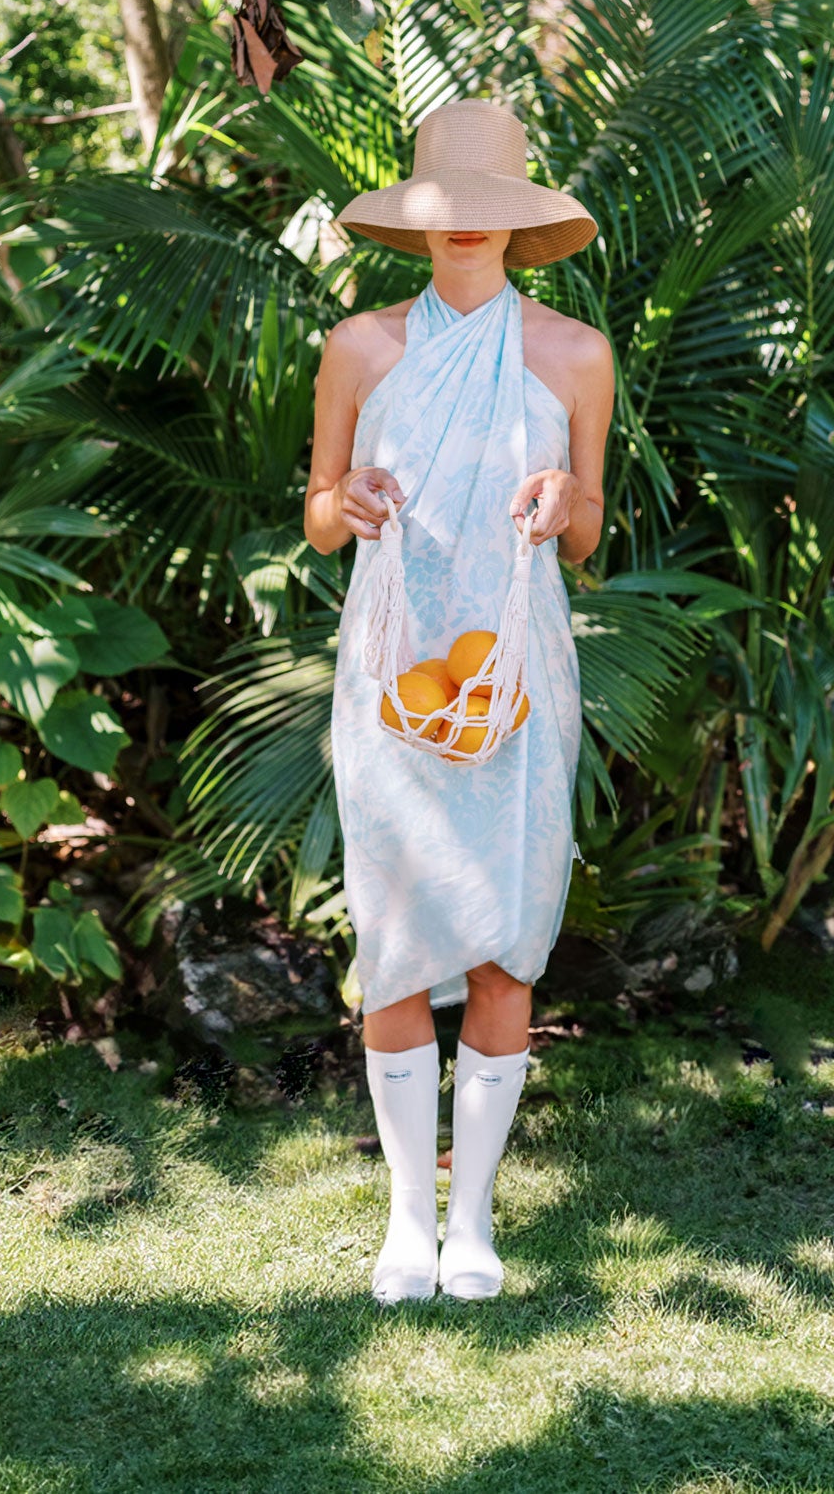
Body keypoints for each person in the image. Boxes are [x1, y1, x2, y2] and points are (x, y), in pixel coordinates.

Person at [303, 97, 615, 1304]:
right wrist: (355, 496)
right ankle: (402, 1224)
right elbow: (320, 518)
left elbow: (591, 532)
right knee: (389, 949)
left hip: (519, 681)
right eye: (447, 217)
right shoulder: (359, 347)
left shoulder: (575, 354)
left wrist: (559, 500)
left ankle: (472, 1220)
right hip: (390, 677)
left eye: (488, 216)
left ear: (522, 225)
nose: (465, 236)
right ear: (417, 224)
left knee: (506, 946)